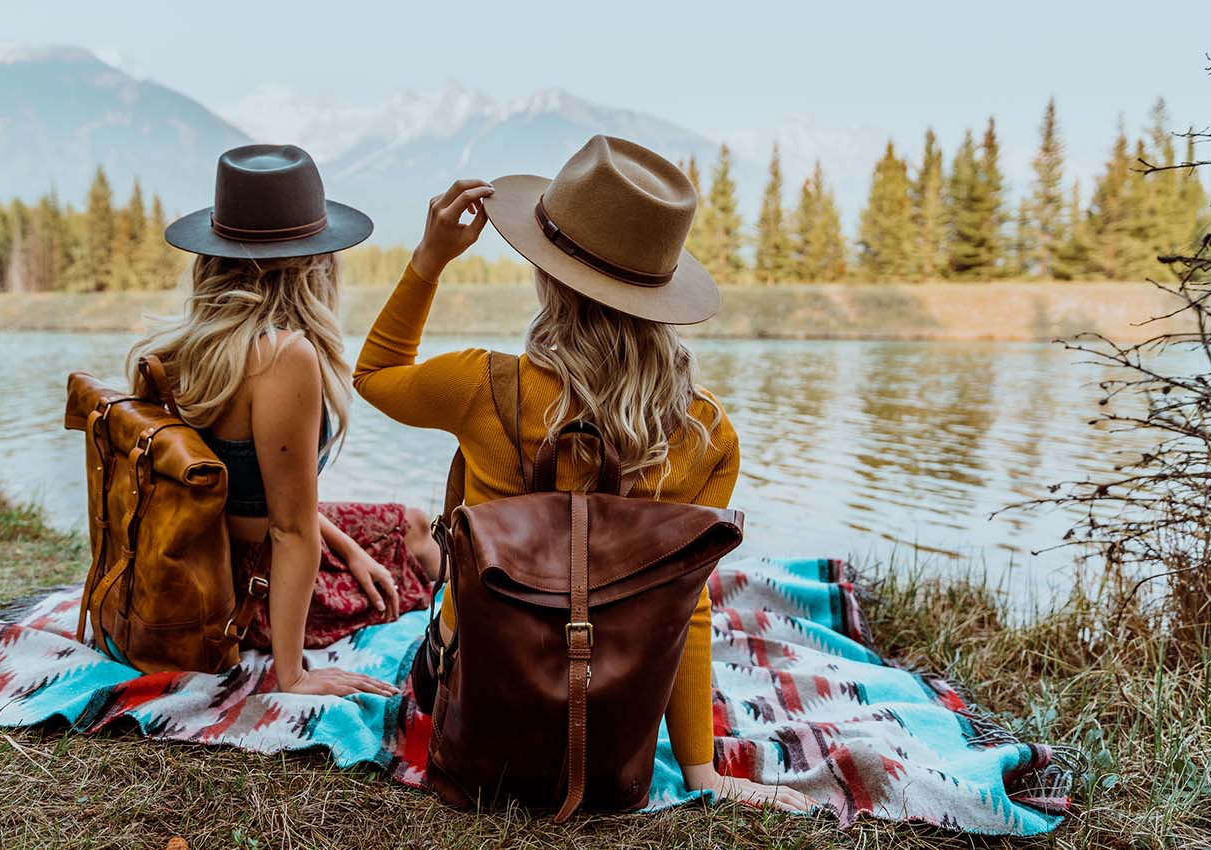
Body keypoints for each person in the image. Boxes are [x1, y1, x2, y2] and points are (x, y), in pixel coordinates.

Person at [353, 135, 812, 809]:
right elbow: (691, 611)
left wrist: (429, 261)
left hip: (478, 703)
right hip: (612, 720)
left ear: (548, 275)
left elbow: (374, 375)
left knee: (426, 634)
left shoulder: (483, 385)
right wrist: (700, 773)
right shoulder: (708, 435)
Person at [136, 143, 438, 696]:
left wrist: (348, 547)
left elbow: (244, 495)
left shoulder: (171, 349)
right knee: (419, 549)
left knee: (412, 524)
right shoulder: (282, 356)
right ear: (312, 263)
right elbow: (288, 531)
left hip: (202, 560)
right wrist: (293, 673)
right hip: (251, 589)